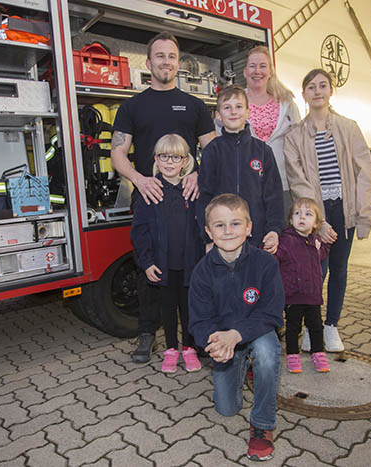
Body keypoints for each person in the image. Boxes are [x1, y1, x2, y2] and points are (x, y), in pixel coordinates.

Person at [111, 31, 216, 363]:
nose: (166, 62)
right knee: (148, 266)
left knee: (191, 269)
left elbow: (213, 150)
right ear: (148, 62)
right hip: (149, 196)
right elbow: (118, 154)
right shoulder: (132, 106)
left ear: (178, 62)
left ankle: (194, 337)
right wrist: (140, 181)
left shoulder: (195, 106)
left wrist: (199, 173)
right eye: (160, 56)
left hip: (188, 198)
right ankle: (147, 334)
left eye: (171, 56)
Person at [283, 68, 371, 352]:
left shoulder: (349, 128)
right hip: (315, 213)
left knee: (339, 269)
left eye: (323, 85)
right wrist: (317, 221)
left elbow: (364, 171)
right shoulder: (295, 135)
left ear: (331, 91)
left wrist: (363, 215)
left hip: (342, 208)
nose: (318, 91)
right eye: (311, 87)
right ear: (304, 95)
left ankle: (331, 326)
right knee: (314, 272)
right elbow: (297, 178)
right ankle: (312, 328)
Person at [189, 194, 284, 461]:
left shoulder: (266, 264)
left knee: (268, 351)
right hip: (224, 340)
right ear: (208, 231)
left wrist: (237, 334)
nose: (228, 231)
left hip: (255, 332)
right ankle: (241, 364)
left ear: (249, 227)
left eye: (235, 224)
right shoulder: (201, 272)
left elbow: (273, 313)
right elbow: (198, 322)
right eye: (219, 225)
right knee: (227, 409)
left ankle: (263, 425)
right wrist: (216, 344)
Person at [130, 134, 203, 373]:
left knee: (189, 308)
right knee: (168, 309)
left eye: (176, 157)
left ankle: (189, 348)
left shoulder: (192, 190)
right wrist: (147, 262)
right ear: (156, 159)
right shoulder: (148, 191)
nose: (169, 162)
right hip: (163, 265)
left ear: (185, 161)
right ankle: (171, 348)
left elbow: (203, 225)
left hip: (190, 264)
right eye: (164, 156)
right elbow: (140, 231)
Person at [198, 85, 284, 255]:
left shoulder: (263, 151)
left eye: (238, 107)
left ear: (247, 112)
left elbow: (274, 195)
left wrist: (274, 230)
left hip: (257, 238)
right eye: (227, 107)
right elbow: (204, 197)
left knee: (254, 281)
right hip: (223, 238)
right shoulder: (212, 151)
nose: (233, 112)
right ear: (219, 116)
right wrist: (207, 237)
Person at [216, 46, 301, 215]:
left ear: (270, 71)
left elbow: (299, 145)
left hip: (282, 184)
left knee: (280, 235)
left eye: (263, 66)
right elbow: (219, 144)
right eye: (252, 66)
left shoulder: (287, 103)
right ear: (245, 71)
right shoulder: (232, 102)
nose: (257, 71)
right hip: (243, 185)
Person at [276, 197, 333, 373]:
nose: (302, 217)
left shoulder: (315, 241)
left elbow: (321, 255)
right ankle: (293, 355)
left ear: (315, 222)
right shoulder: (286, 240)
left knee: (316, 326)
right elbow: (275, 257)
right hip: (293, 295)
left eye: (308, 214)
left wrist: (326, 243)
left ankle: (318, 354)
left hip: (313, 296)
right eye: (297, 213)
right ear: (291, 219)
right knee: (293, 327)